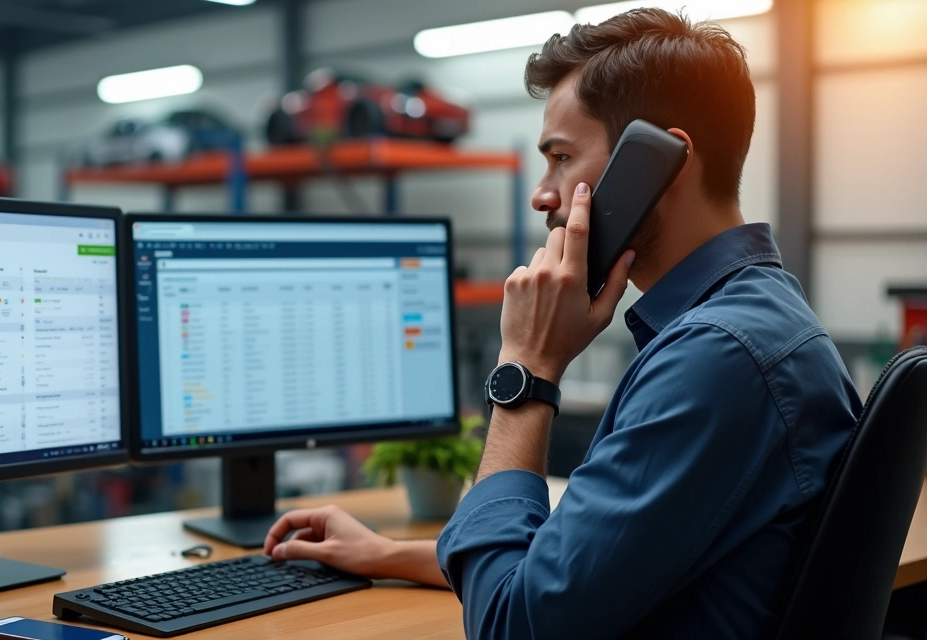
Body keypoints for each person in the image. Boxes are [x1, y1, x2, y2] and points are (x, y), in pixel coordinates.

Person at [263, 8, 862, 638]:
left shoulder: (716, 359)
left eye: (561, 158)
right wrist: (388, 554)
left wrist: (527, 368)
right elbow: (584, 557)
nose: (542, 194)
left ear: (659, 163)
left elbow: (511, 625)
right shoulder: (757, 318)